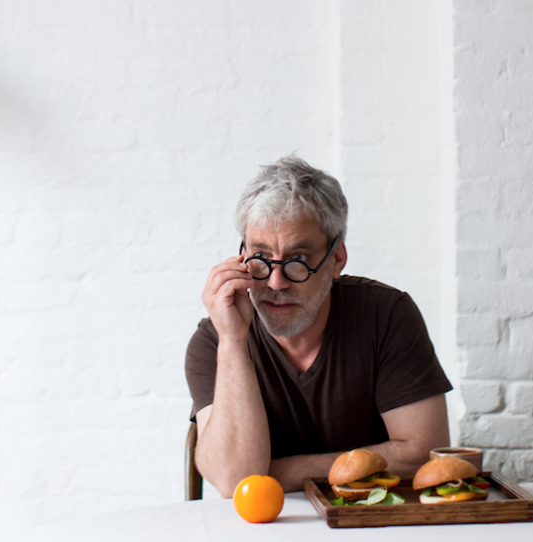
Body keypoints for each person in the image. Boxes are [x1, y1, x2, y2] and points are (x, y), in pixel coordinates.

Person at [185, 155, 452, 497]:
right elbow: (233, 480)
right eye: (261, 259)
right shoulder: (214, 341)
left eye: (297, 261)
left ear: (336, 259)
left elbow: (424, 455)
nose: (276, 282)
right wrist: (234, 342)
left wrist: (278, 471)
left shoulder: (385, 316)